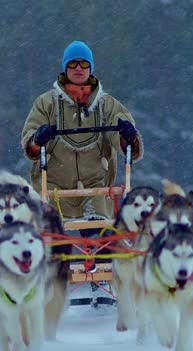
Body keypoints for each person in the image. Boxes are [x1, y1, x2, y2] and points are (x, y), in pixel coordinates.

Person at [20, 40, 143, 226]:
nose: (79, 68)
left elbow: (128, 146)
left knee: (98, 238)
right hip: (53, 188)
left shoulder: (107, 105)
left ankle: (96, 252)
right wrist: (37, 139)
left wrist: (128, 136)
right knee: (55, 241)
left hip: (96, 189)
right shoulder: (46, 103)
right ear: (65, 67)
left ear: (91, 67)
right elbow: (30, 144)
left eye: (84, 63)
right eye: (73, 63)